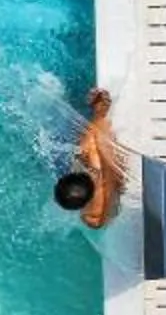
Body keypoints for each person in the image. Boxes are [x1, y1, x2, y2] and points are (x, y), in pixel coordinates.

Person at [51, 86, 128, 231]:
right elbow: (102, 116)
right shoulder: (92, 147)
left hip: (114, 201)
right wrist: (98, 104)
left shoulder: (91, 219)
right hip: (113, 175)